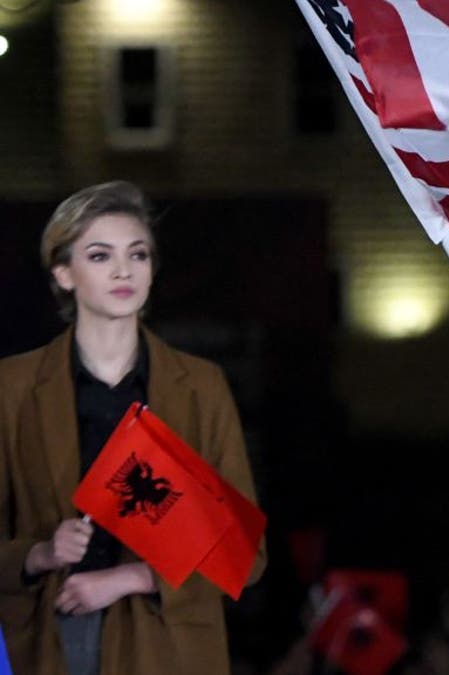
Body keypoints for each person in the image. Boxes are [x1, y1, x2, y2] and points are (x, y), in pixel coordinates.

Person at [0, 181, 267, 674]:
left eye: (138, 254)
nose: (124, 270)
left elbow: (246, 554)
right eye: (100, 256)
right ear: (64, 272)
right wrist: (38, 553)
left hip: (168, 642)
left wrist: (133, 577)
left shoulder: (200, 387)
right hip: (51, 636)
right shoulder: (13, 387)